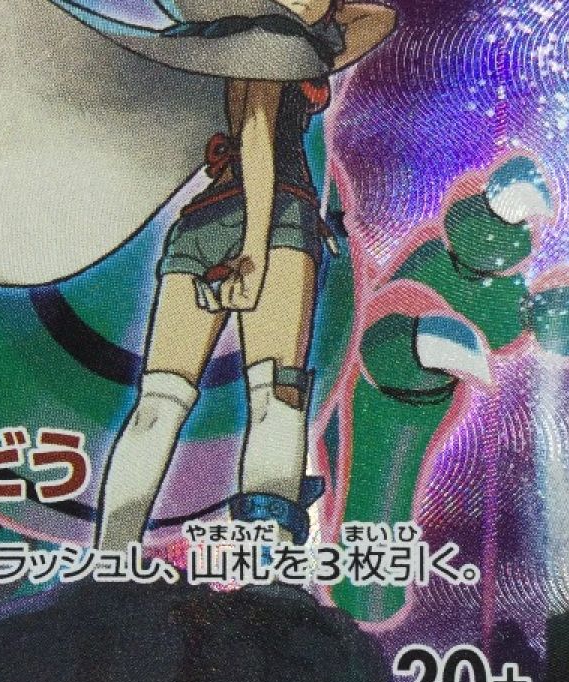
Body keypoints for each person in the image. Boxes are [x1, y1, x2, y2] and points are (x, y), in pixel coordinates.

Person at [94, 0, 396, 551]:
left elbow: (377, 20)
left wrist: (313, 31)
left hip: (202, 224)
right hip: (274, 215)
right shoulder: (267, 42)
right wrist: (253, 250)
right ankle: (269, 557)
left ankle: (111, 556)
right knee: (277, 395)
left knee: (160, 402)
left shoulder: (220, 42)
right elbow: (256, 135)